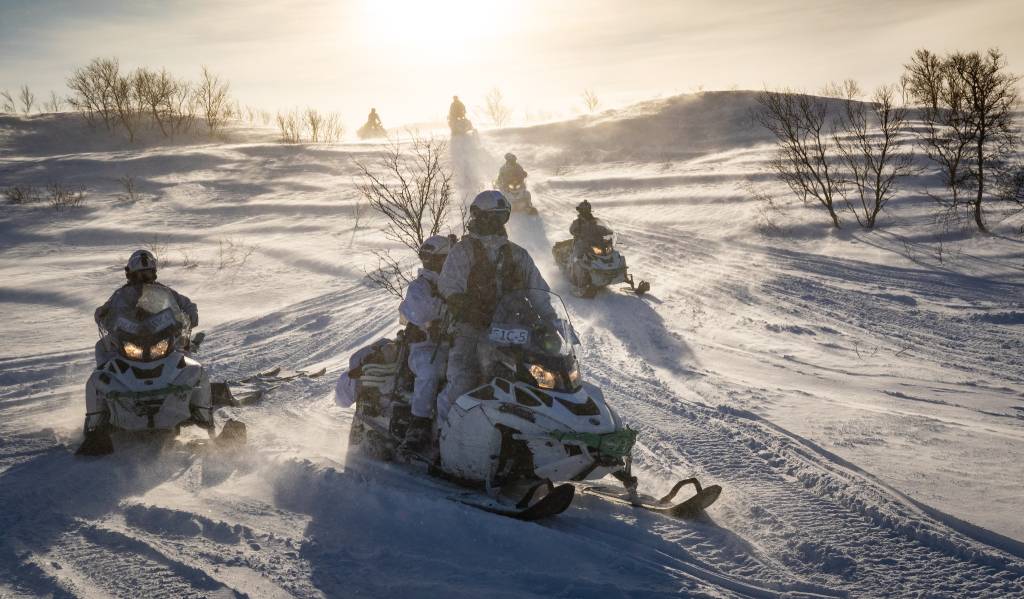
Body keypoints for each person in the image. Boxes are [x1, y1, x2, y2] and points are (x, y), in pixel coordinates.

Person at [436, 191, 550, 418]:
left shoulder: (518, 254)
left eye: (501, 217)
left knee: (543, 381)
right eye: (491, 216)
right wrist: (467, 308)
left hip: (515, 331)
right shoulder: (463, 252)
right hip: (471, 330)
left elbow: (541, 294)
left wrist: (553, 323)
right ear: (478, 217)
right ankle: (441, 437)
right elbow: (449, 287)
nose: (496, 223)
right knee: (462, 381)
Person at [398, 235, 454, 452]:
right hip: (426, 348)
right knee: (431, 371)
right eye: (427, 259)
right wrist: (447, 309)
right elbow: (422, 312)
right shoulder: (420, 286)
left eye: (436, 259)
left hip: (458, 345)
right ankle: (418, 426)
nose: (430, 264)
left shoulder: (459, 283)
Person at [93, 249, 198, 366]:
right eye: (138, 274)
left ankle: (188, 376)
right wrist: (102, 313)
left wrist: (190, 316)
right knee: (102, 346)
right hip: (129, 337)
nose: (143, 278)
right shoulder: (121, 294)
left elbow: (186, 304)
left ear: (154, 273)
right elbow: (107, 308)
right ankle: (107, 377)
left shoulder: (164, 291)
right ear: (130, 274)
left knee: (183, 344)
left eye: (147, 273)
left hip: (161, 335)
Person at [569, 200, 604, 294]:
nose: (586, 211)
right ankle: (579, 285)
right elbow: (571, 230)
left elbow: (601, 228)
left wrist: (608, 231)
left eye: (587, 209)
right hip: (581, 244)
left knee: (610, 255)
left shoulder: (595, 221)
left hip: (594, 244)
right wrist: (578, 233)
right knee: (578, 260)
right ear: (581, 211)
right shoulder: (578, 222)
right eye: (584, 210)